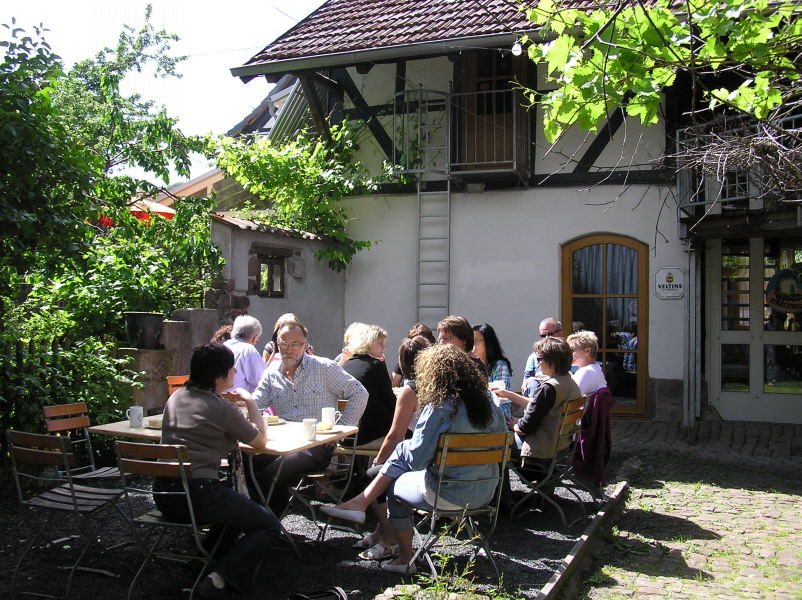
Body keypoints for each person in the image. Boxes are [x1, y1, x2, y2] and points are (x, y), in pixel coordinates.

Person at [321, 344, 507, 575]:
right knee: (400, 459)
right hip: (485, 491)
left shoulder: (440, 406)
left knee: (395, 485)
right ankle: (363, 505)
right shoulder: (490, 404)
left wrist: (401, 449)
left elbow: (417, 460)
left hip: (446, 492)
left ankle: (405, 558)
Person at [156, 343, 279, 600]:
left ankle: (199, 566)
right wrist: (250, 401)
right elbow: (260, 441)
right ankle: (219, 578)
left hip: (165, 494)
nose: (236, 372)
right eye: (232, 368)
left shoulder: (176, 397)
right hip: (199, 496)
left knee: (236, 511)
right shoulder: (222, 408)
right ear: (219, 376)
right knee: (268, 526)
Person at [247, 320, 368, 516]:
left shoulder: (324, 368)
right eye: (284, 343)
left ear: (305, 345)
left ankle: (267, 521)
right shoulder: (271, 374)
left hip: (316, 446)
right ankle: (262, 518)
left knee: (271, 474)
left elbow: (360, 393)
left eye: (295, 344)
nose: (289, 349)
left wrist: (343, 429)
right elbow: (255, 404)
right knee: (246, 463)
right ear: (277, 344)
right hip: (283, 443)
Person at [350, 334, 431, 561]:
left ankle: (390, 538)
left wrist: (379, 461)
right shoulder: (438, 387)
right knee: (381, 471)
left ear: (404, 363)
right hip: (439, 460)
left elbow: (395, 435)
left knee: (374, 475)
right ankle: (381, 531)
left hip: (423, 461)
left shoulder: (411, 390)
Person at [496, 337, 581, 474]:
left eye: (539, 359)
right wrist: (507, 394)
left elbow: (525, 427)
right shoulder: (569, 383)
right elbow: (538, 405)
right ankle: (546, 483)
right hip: (561, 447)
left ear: (552, 362)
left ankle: (502, 489)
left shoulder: (548, 389)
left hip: (540, 453)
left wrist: (515, 425)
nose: (537, 363)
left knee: (497, 443)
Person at [341, 324, 396, 449]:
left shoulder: (346, 365)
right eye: (380, 343)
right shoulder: (376, 365)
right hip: (368, 436)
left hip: (345, 436)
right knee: (406, 435)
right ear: (368, 343)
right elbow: (390, 401)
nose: (384, 348)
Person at [224, 316, 266, 393]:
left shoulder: (223, 346)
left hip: (218, 397)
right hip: (239, 398)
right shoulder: (248, 350)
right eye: (257, 340)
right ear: (254, 338)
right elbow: (262, 382)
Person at [521, 317, 563, 382]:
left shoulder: (571, 354)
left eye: (550, 334)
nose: (547, 338)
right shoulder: (534, 357)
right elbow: (525, 384)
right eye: (543, 336)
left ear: (561, 332)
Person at [567, 330, 607, 396]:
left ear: (587, 351)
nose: (568, 354)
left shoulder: (585, 372)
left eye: (572, 350)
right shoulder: (596, 369)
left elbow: (569, 397)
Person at [472, 323, 513, 389]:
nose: (473, 344)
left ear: (488, 342)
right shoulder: (468, 365)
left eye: (477, 340)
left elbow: (500, 392)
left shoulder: (499, 366)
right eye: (471, 341)